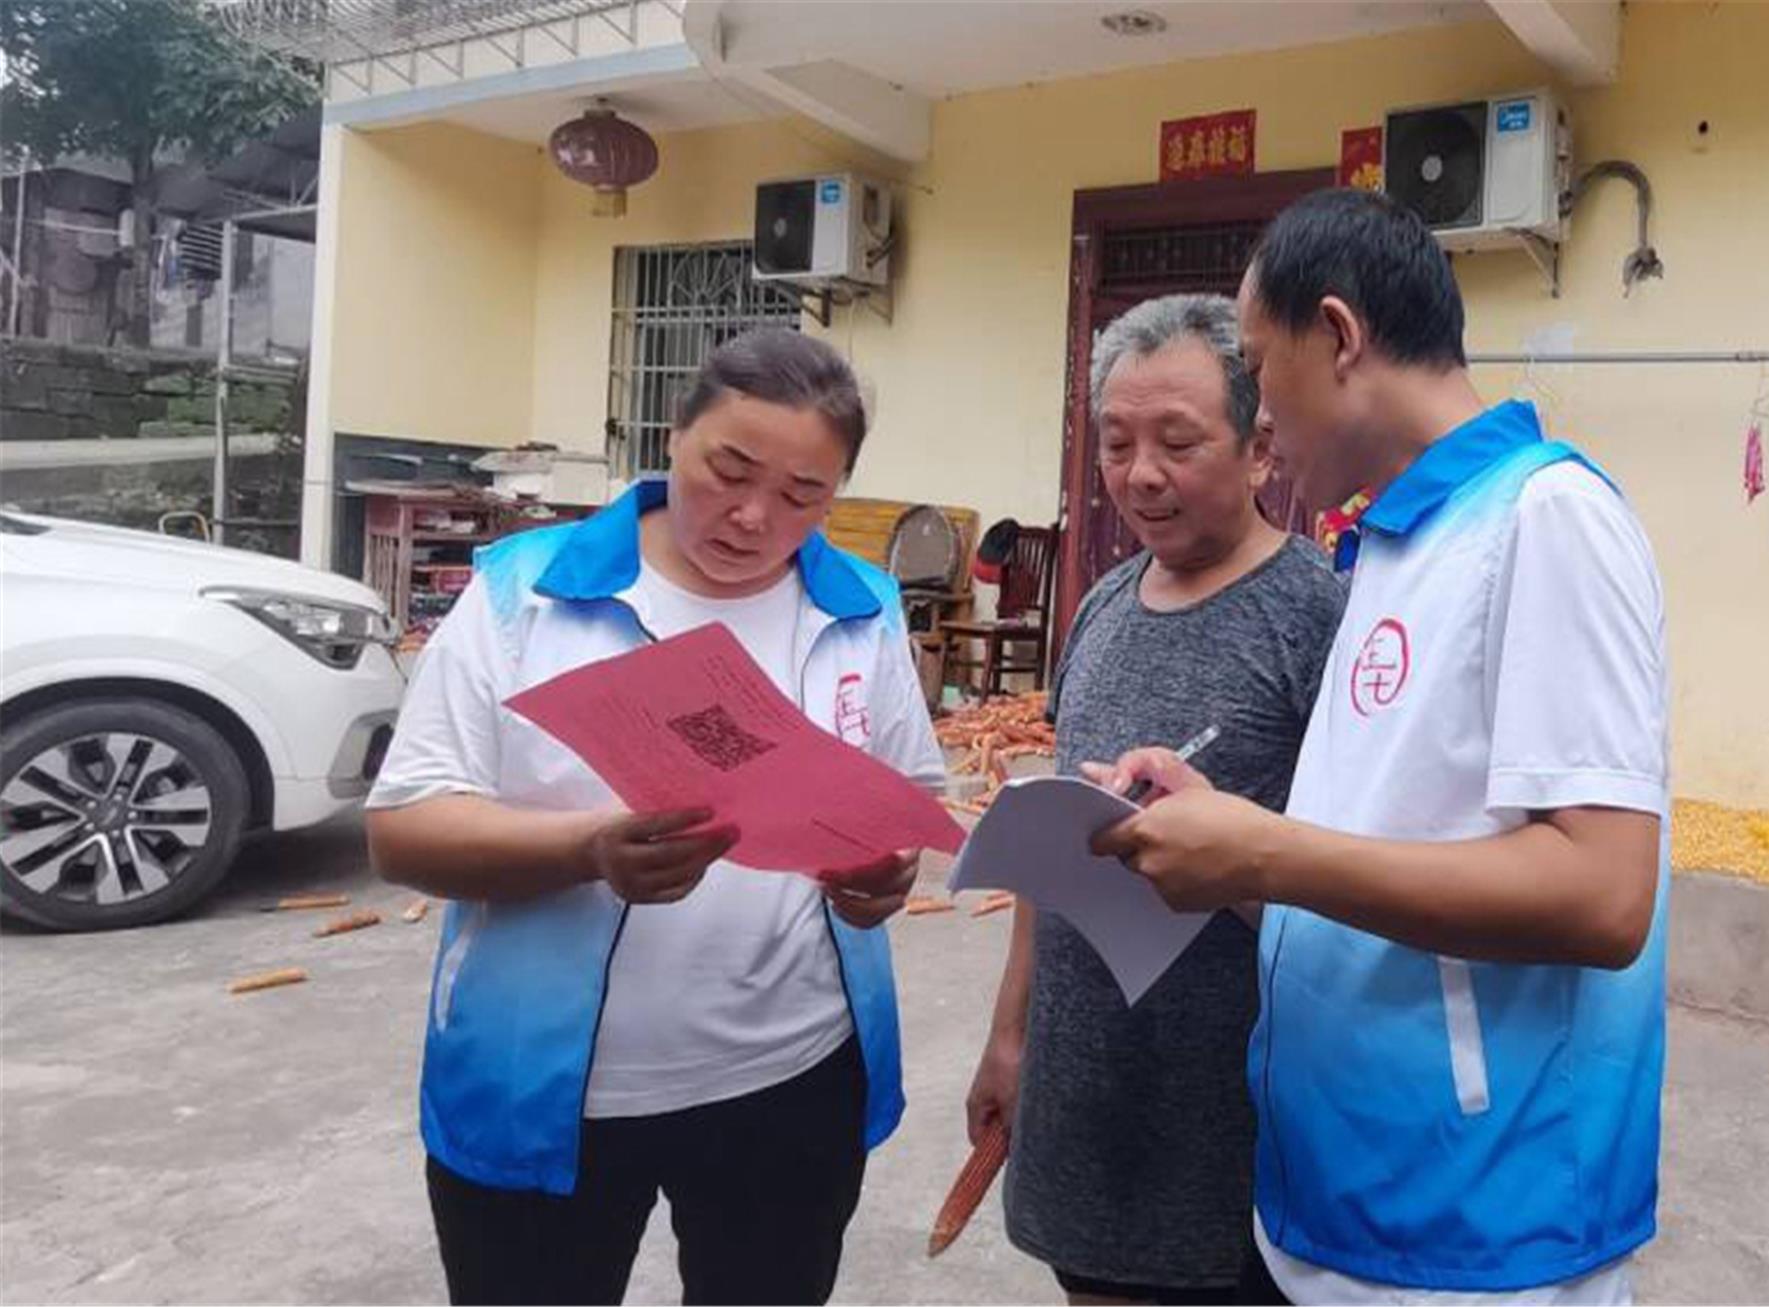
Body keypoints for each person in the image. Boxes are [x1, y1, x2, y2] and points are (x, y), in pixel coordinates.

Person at [1093, 189, 1670, 1305]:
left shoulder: (1546, 517)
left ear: (1339, 336)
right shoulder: (1393, 546)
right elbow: (1373, 861)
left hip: (1476, 1231)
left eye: (1258, 369)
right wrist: (1224, 840)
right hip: (1338, 1203)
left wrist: (1266, 851)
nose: (1259, 420)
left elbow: (1604, 894)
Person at [364, 329, 945, 1307]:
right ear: (674, 435)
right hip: (551, 1088)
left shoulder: (860, 610)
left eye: (803, 493)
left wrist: (882, 874)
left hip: (792, 1077)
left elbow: (897, 807)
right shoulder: (525, 595)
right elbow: (403, 828)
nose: (754, 515)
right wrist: (587, 848)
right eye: (730, 470)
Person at [968, 294, 1346, 1304]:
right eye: (1117, 442)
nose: (1140, 473)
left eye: (1177, 442)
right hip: (1084, 1097)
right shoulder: (1103, 602)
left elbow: (1356, 875)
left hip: (1228, 1116)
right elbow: (1052, 854)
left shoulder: (1319, 615)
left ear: (1258, 450)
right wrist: (1011, 1034)